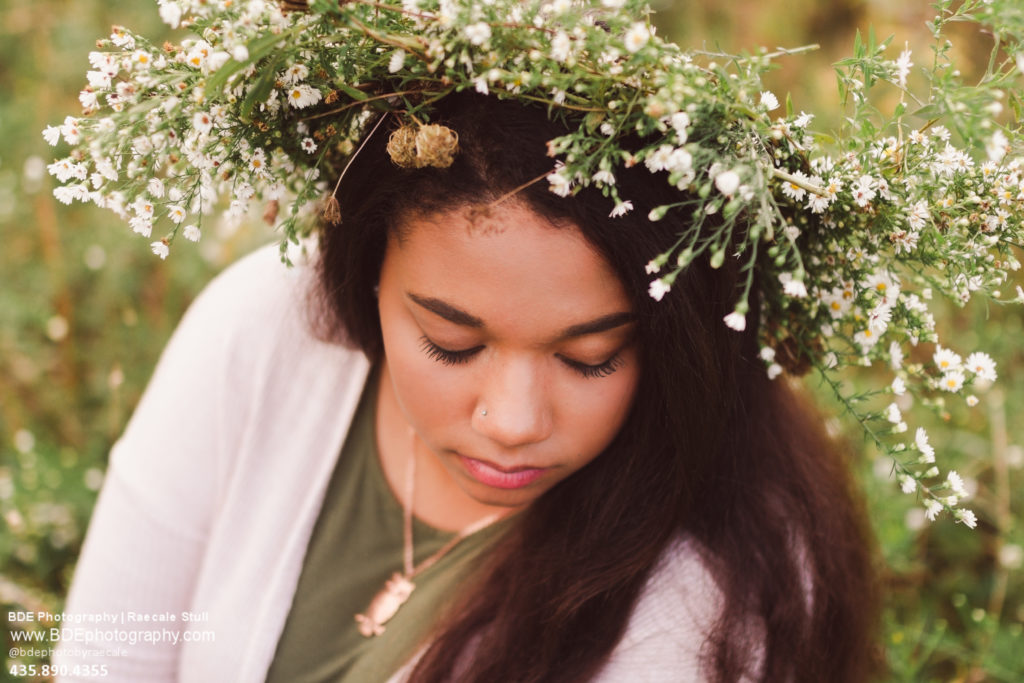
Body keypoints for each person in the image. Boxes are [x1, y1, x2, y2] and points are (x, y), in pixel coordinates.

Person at [56, 88, 880, 683]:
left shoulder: (713, 589)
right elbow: (105, 653)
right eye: (451, 343)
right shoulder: (267, 330)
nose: (513, 421)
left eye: (589, 357)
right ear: (366, 276)